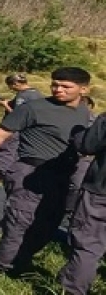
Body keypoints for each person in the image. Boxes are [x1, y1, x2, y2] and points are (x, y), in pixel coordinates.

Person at [0, 67, 92, 275]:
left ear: (83, 89)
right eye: (55, 84)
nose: (58, 90)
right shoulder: (34, 108)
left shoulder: (85, 112)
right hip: (30, 172)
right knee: (20, 222)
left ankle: (19, 261)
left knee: (49, 224)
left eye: (66, 86)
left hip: (62, 177)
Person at [59, 110, 106, 294]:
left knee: (88, 245)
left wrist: (79, 133)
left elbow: (88, 146)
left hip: (100, 191)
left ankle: (73, 290)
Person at [0, 73, 45, 180]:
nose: (10, 88)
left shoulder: (23, 96)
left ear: (16, 84)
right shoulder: (37, 93)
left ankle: (3, 173)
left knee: (6, 151)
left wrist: (6, 105)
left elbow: (17, 115)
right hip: (30, 129)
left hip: (16, 129)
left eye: (10, 86)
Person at [63, 96, 98, 224]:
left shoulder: (95, 122)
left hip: (83, 158)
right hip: (65, 156)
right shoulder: (66, 117)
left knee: (77, 184)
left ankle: (69, 211)